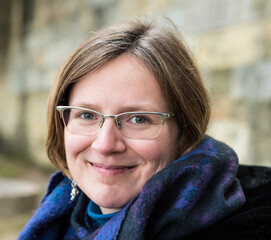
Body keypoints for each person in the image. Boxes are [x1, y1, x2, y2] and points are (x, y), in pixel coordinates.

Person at [18, 18, 271, 240]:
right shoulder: (61, 219)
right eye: (86, 115)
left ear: (184, 131)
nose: (105, 145)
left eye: (138, 119)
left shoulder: (251, 223)